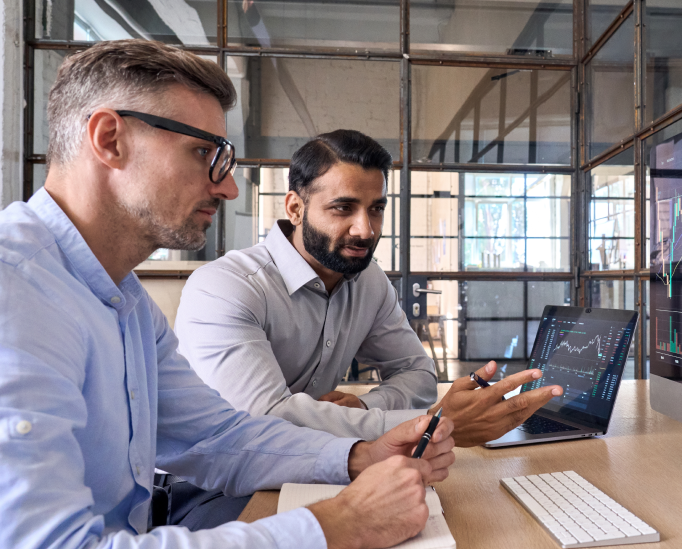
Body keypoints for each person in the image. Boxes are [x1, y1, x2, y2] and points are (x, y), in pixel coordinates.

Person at [0, 39, 455, 549]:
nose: (229, 187)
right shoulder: (10, 291)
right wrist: (336, 525)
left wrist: (357, 456)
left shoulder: (125, 300)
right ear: (109, 139)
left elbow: (214, 437)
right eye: (204, 153)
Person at [175, 130, 564, 447]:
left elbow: (418, 374)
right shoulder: (226, 288)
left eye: (376, 208)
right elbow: (264, 419)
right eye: (343, 208)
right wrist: (430, 423)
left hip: (312, 463)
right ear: (295, 208)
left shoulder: (368, 279)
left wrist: (364, 404)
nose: (366, 230)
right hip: (209, 484)